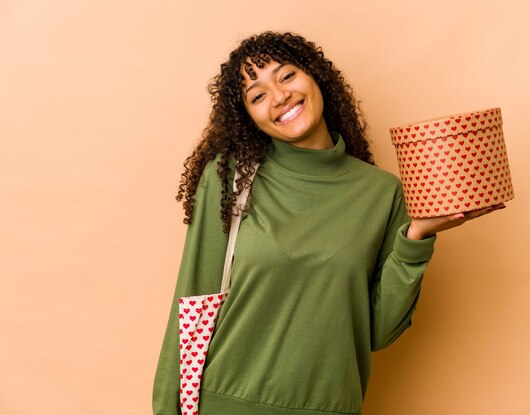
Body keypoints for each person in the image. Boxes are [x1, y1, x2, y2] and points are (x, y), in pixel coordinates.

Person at [153, 31, 504, 415]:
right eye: (257, 95)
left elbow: (377, 331)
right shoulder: (230, 177)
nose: (279, 96)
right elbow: (192, 305)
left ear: (316, 77)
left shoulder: (381, 193)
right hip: (226, 403)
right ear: (248, 118)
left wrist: (417, 236)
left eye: (286, 76)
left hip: (331, 406)